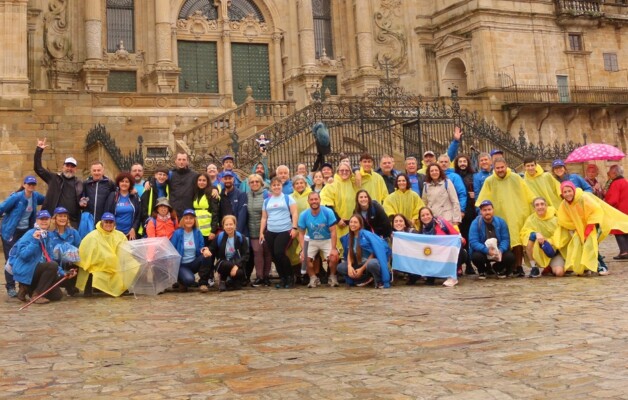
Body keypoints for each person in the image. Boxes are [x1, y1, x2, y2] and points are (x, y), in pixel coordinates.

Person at [476, 157, 535, 277]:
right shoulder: (489, 181)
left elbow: (527, 193)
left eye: (502, 167)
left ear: (506, 166)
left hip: (516, 213)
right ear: (494, 168)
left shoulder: (516, 177)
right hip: (499, 215)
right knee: (504, 241)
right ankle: (506, 266)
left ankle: (518, 266)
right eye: (497, 168)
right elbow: (483, 199)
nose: (500, 170)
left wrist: (533, 204)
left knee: (517, 241)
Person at [555, 181, 628, 276]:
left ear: (573, 190)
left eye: (569, 191)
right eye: (565, 192)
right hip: (581, 227)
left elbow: (595, 211)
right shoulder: (565, 204)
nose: (568, 194)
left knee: (591, 244)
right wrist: (574, 227)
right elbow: (563, 218)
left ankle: (602, 266)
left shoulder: (583, 198)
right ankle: (586, 266)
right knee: (580, 244)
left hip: (594, 224)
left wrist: (589, 229)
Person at [8, 210, 74, 304]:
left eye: (46, 219)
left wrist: (63, 273)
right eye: (41, 219)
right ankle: (36, 294)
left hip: (37, 270)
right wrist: (35, 241)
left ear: (50, 220)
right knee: (52, 266)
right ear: (37, 221)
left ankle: (30, 289)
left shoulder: (46, 235)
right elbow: (23, 255)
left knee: (57, 295)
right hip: (27, 270)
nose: (44, 221)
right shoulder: (30, 234)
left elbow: (50, 257)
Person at [0, 175, 45, 297]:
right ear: (24, 185)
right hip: (11, 231)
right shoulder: (16, 197)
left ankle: (23, 287)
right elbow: (1, 208)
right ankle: (10, 286)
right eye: (28, 184)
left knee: (25, 257)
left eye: (33, 184)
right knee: (12, 257)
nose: (31, 186)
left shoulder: (35, 196)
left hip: (25, 231)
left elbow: (48, 199)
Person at [76, 212, 128, 297]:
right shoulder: (93, 235)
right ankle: (89, 289)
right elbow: (85, 250)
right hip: (97, 265)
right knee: (91, 271)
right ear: (101, 223)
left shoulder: (120, 235)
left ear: (114, 223)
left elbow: (125, 250)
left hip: (114, 266)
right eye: (106, 222)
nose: (108, 224)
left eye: (110, 222)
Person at [34, 138, 83, 227]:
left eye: (72, 166)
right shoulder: (53, 178)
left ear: (75, 169)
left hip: (72, 222)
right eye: (67, 165)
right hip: (53, 219)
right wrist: (39, 150)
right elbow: (38, 168)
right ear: (63, 167)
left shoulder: (79, 183)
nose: (69, 168)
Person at [260, 177, 299, 289]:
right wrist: (261, 232)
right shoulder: (266, 201)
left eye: (278, 185)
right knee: (274, 256)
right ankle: (282, 278)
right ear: (271, 187)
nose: (276, 187)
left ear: (281, 186)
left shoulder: (288, 198)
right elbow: (264, 218)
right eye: (274, 185)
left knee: (279, 253)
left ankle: (290, 276)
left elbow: (294, 213)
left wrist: (294, 228)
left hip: (284, 230)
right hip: (271, 231)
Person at [337, 214, 392, 288]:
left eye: (355, 222)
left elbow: (373, 253)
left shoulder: (367, 235)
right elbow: (350, 252)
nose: (353, 224)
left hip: (368, 264)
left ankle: (378, 281)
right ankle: (363, 280)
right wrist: (349, 266)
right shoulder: (349, 236)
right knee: (341, 267)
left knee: (372, 264)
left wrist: (361, 269)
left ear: (360, 224)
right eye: (351, 222)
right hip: (358, 264)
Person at [298, 192, 340, 288]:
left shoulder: (328, 212)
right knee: (303, 259)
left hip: (327, 239)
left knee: (334, 257)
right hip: (312, 240)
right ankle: (313, 278)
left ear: (320, 200)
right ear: (308, 201)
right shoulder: (304, 215)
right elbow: (301, 233)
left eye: (316, 199)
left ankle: (332, 276)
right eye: (311, 199)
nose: (314, 201)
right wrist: (303, 250)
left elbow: (333, 231)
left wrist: (333, 248)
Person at [417, 206, 465, 287]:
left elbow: (456, 236)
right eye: (423, 215)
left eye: (427, 214)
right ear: (420, 218)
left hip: (447, 255)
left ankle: (452, 276)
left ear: (432, 215)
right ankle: (430, 276)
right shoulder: (421, 231)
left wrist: (460, 240)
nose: (426, 217)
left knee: (459, 250)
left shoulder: (441, 223)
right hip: (433, 257)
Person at [519, 197, 566, 278]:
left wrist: (548, 241)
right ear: (534, 208)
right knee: (529, 239)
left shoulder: (555, 219)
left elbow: (561, 236)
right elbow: (524, 233)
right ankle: (534, 267)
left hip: (553, 251)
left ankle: (551, 267)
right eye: (537, 205)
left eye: (542, 204)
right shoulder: (531, 219)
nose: (540, 207)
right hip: (539, 251)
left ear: (546, 205)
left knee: (559, 273)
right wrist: (535, 234)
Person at [469, 200, 516, 279]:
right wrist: (487, 250)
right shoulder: (475, 223)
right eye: (484, 210)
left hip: (498, 250)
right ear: (481, 212)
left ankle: (498, 268)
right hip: (483, 251)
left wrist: (500, 250)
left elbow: (506, 239)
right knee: (476, 257)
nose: (487, 212)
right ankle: (482, 270)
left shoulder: (501, 222)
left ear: (493, 210)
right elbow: (473, 242)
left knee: (510, 257)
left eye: (489, 209)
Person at [170, 209, 213, 292]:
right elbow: (172, 249)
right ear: (183, 220)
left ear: (194, 220)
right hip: (182, 265)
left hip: (193, 263)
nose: (188, 220)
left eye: (191, 218)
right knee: (189, 280)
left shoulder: (197, 232)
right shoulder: (177, 233)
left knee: (207, 256)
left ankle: (203, 283)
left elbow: (201, 247)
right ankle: (181, 280)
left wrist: (205, 250)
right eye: (186, 218)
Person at [47, 206, 82, 295]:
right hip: (55, 263)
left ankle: (72, 284)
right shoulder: (49, 234)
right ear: (55, 218)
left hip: (71, 263)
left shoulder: (73, 232)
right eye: (60, 216)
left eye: (64, 216)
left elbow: (79, 247)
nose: (62, 218)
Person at [210, 215, 250, 292]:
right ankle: (223, 280)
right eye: (226, 225)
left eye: (231, 224)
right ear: (223, 226)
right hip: (223, 262)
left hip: (236, 262)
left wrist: (237, 265)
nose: (229, 227)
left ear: (235, 225)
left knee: (239, 278)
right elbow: (212, 248)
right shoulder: (219, 237)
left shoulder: (240, 237)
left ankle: (231, 281)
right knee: (226, 264)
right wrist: (206, 250)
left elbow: (246, 254)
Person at [246, 174, 272, 287]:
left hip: (266, 229)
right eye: (252, 182)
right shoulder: (246, 196)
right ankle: (259, 276)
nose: (255, 183)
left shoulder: (267, 195)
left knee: (267, 253)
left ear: (261, 183)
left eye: (257, 181)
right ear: (249, 184)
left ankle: (266, 276)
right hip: (252, 229)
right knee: (257, 252)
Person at [320, 162, 358, 240]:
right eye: (342, 170)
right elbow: (326, 205)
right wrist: (338, 220)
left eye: (347, 170)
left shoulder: (353, 185)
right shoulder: (331, 185)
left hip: (351, 225)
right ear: (337, 172)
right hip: (336, 225)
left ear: (350, 172)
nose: (344, 172)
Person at [104, 172, 141, 240]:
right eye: (122, 181)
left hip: (129, 234)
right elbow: (107, 213)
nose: (124, 183)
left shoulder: (134, 197)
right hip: (114, 233)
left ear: (130, 184)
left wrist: (134, 229)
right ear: (118, 183)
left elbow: (138, 216)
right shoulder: (112, 195)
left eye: (127, 182)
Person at [604, 165, 628, 259]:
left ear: (614, 173)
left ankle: (624, 252)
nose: (608, 174)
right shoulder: (625, 181)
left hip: (619, 211)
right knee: (626, 231)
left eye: (609, 172)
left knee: (618, 231)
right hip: (626, 211)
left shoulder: (616, 183)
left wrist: (605, 205)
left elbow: (613, 200)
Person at [192, 173, 221, 247]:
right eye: (200, 180)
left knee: (207, 253)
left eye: (204, 180)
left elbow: (215, 212)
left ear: (207, 182)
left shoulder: (212, 192)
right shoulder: (195, 193)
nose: (201, 182)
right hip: (197, 229)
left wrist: (213, 231)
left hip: (208, 231)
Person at [390, 214, 421, 285]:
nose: (398, 223)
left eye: (401, 221)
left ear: (405, 224)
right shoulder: (391, 234)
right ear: (393, 224)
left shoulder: (412, 232)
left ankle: (414, 275)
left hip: (413, 259)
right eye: (396, 221)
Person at [139, 167, 170, 237]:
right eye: (160, 174)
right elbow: (143, 206)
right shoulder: (149, 187)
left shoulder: (169, 188)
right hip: (151, 221)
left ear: (167, 177)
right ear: (155, 175)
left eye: (164, 175)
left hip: (164, 222)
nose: (162, 177)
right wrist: (146, 220)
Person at [169, 152, 199, 217]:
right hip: (174, 211)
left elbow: (205, 184)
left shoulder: (194, 175)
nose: (181, 162)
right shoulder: (170, 174)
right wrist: (149, 182)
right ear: (175, 161)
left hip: (188, 211)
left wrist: (214, 188)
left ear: (187, 161)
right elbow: (159, 179)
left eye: (184, 160)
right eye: (179, 159)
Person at [221, 171, 248, 236]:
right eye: (225, 179)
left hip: (238, 232)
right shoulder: (221, 194)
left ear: (233, 179)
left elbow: (242, 216)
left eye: (229, 178)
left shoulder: (241, 194)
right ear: (222, 180)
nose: (228, 181)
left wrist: (236, 233)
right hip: (225, 230)